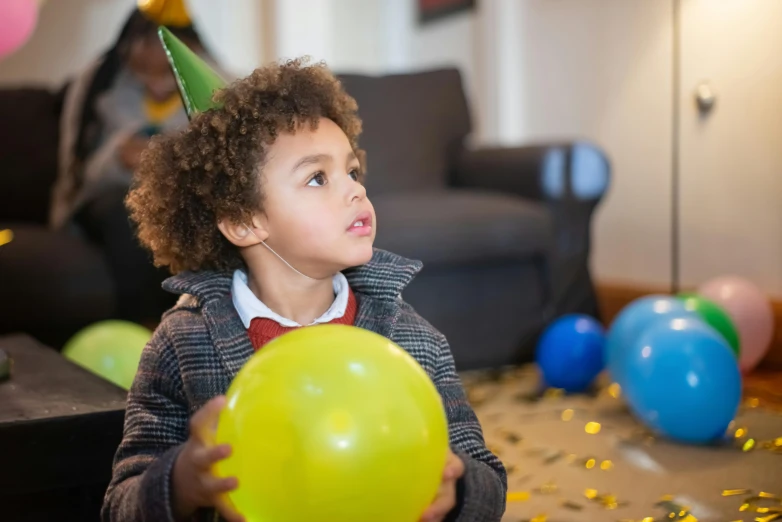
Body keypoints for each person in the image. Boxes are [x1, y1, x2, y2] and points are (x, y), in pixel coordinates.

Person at [101, 30, 507, 522]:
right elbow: (121, 503)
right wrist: (181, 481)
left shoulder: (411, 339)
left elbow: (486, 476)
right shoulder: (183, 344)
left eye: (353, 172)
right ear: (244, 221)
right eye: (318, 178)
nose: (355, 192)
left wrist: (458, 490)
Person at [49, 4, 216, 323]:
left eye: (168, 73)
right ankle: (145, 326)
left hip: (183, 197)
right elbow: (75, 175)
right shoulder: (99, 85)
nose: (155, 86)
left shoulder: (215, 87)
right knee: (129, 213)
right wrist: (117, 157)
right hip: (111, 198)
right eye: (142, 72)